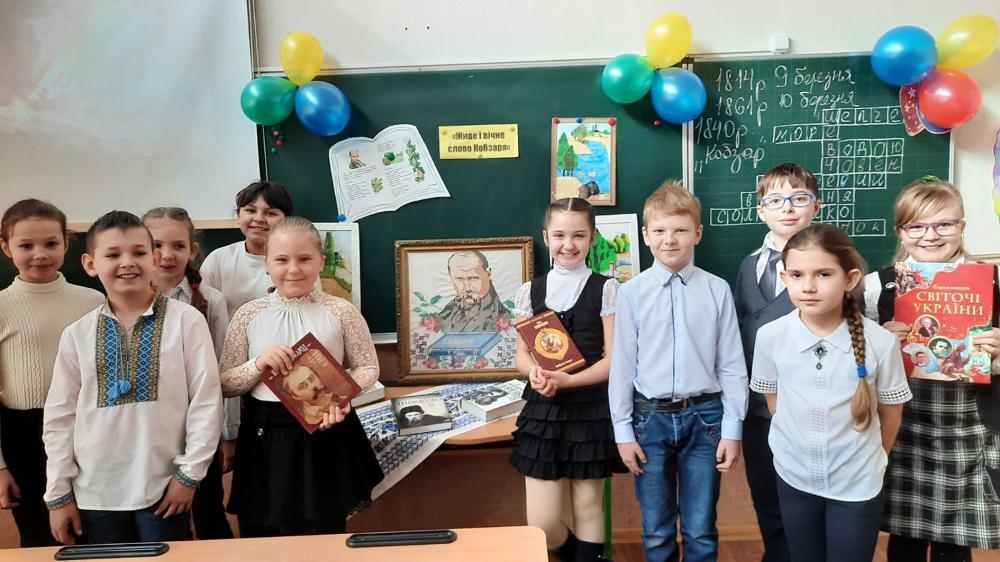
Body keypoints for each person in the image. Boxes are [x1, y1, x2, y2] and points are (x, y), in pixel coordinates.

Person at [43, 211, 222, 545]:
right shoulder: (77, 334)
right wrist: (58, 492)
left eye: (139, 252)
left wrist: (189, 475)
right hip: (93, 493)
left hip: (164, 488)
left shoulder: (186, 321)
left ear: (154, 258)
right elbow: (59, 418)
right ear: (90, 264)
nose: (127, 262)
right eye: (113, 254)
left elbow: (206, 401)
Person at [750, 223, 911, 562]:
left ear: (850, 279)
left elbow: (891, 411)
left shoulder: (881, 342)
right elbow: (775, 401)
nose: (808, 286)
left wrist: (873, 459)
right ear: (784, 278)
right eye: (796, 275)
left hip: (857, 482)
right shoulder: (770, 336)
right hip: (794, 476)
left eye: (823, 274)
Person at [218, 216, 383, 538]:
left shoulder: (342, 311)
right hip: (266, 435)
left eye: (304, 259)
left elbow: (368, 367)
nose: (293, 269)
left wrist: (342, 398)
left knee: (324, 527)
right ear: (267, 264)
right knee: (264, 529)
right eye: (281, 260)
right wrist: (258, 364)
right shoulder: (248, 315)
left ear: (321, 261)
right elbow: (225, 383)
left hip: (326, 428)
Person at [862, 179, 1000, 560]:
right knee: (904, 539)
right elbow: (857, 361)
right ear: (900, 231)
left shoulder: (993, 281)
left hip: (970, 425)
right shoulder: (877, 287)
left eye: (944, 224)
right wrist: (880, 343)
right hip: (904, 423)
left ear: (962, 226)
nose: (930, 235)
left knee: (953, 544)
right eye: (917, 226)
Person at [609, 183, 748, 562]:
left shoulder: (717, 290)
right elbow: (622, 367)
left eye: (680, 230)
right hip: (648, 419)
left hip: (706, 419)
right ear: (645, 235)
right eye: (659, 230)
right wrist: (623, 432)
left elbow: (732, 365)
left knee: (701, 527)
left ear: (697, 233)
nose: (669, 240)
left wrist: (732, 429)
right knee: (656, 529)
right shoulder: (631, 293)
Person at [509, 197, 625, 562]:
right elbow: (522, 356)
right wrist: (535, 373)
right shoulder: (529, 292)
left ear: (592, 237)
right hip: (543, 411)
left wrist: (569, 381)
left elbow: (614, 360)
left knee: (588, 507)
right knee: (541, 523)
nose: (568, 244)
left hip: (590, 410)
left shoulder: (607, 289)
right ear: (546, 237)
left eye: (578, 235)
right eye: (559, 235)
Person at [0, 199, 104, 547]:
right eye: (26, 246)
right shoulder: (2, 306)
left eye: (50, 243)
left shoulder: (93, 301)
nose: (40, 254)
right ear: (6, 247)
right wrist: (0, 467)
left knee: (93, 529)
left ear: (66, 243)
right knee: (39, 536)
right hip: (23, 434)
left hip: (87, 427)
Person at [733, 163, 820, 562]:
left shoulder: (834, 263)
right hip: (758, 410)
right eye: (775, 200)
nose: (787, 208)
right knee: (767, 497)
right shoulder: (748, 266)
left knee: (808, 500)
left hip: (811, 409)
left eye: (799, 198)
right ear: (760, 210)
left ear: (815, 206)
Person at [142, 207, 238, 540]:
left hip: (200, 425)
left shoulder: (211, 300)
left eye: (178, 246)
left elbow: (224, 372)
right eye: (156, 245)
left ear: (192, 250)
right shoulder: (128, 298)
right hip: (150, 429)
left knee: (209, 509)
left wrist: (229, 433)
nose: (167, 255)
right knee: (161, 514)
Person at [200, 181, 294, 318]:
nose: (259, 219)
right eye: (251, 210)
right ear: (238, 216)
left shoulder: (298, 262)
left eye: (270, 213)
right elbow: (201, 309)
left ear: (286, 220)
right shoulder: (218, 260)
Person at [438, 251, 513, 333]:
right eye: (459, 279)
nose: (467, 288)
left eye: (473, 278)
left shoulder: (503, 319)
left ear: (488, 274)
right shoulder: (446, 314)